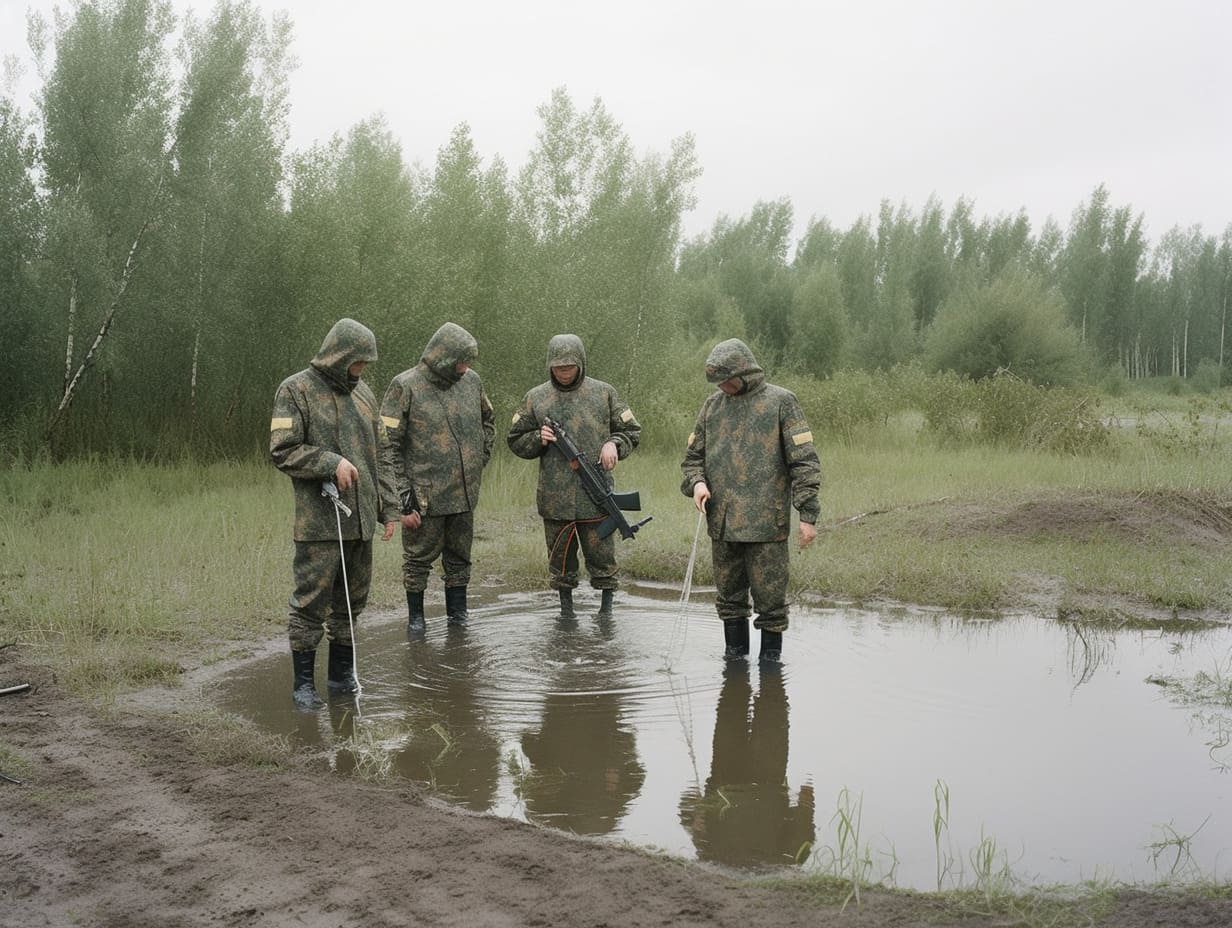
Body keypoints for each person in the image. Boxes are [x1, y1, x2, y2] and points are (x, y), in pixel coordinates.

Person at [270, 318, 399, 709]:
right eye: (357, 362)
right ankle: (304, 687)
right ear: (339, 355)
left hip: (360, 523)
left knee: (351, 605)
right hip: (319, 524)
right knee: (310, 605)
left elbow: (384, 456)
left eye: (365, 364)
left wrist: (389, 507)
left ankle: (342, 680)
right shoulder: (295, 390)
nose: (361, 371)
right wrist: (329, 462)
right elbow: (282, 449)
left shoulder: (366, 397)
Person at [680, 338, 820, 663]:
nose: (724, 387)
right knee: (730, 602)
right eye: (718, 383)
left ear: (745, 371)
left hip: (766, 527)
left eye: (728, 380)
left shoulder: (781, 402)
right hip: (723, 525)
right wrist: (697, 484)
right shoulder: (711, 407)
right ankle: (734, 669)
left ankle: (771, 674)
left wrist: (808, 515)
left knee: (771, 606)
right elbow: (691, 459)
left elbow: (805, 462)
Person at [507, 334, 641, 619]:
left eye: (569, 366)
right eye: (558, 366)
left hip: (597, 495)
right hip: (555, 499)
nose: (564, 371)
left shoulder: (604, 393)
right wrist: (538, 439)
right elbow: (515, 439)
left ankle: (606, 612)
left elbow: (631, 431)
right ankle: (566, 614)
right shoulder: (535, 397)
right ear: (549, 366)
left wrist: (613, 444)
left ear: (580, 362)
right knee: (561, 562)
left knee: (603, 559)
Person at [380, 322, 495, 632]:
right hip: (423, 498)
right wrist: (403, 499)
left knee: (460, 561)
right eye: (461, 360)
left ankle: (458, 618)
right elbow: (386, 445)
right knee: (417, 562)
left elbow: (489, 422)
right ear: (443, 356)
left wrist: (477, 461)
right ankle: (416, 621)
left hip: (464, 496)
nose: (465, 367)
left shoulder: (472, 382)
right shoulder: (405, 385)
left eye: (468, 361)